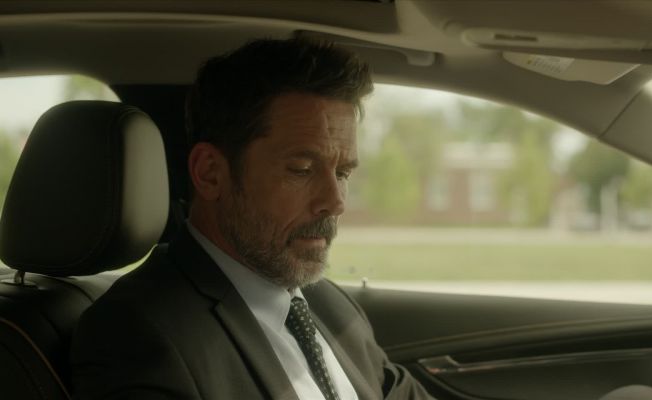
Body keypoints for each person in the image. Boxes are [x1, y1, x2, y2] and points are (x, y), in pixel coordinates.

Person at [71, 38, 433, 400]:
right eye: (301, 169)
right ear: (210, 173)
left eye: (343, 173)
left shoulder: (328, 304)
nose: (335, 202)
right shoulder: (138, 335)